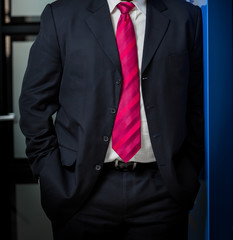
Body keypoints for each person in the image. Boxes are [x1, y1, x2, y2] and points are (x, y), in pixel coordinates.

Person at [19, 0, 204, 239]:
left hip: (162, 193)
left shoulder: (186, 17)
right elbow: (34, 104)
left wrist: (187, 171)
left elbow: (197, 103)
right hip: (81, 192)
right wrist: (49, 172)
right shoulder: (61, 16)